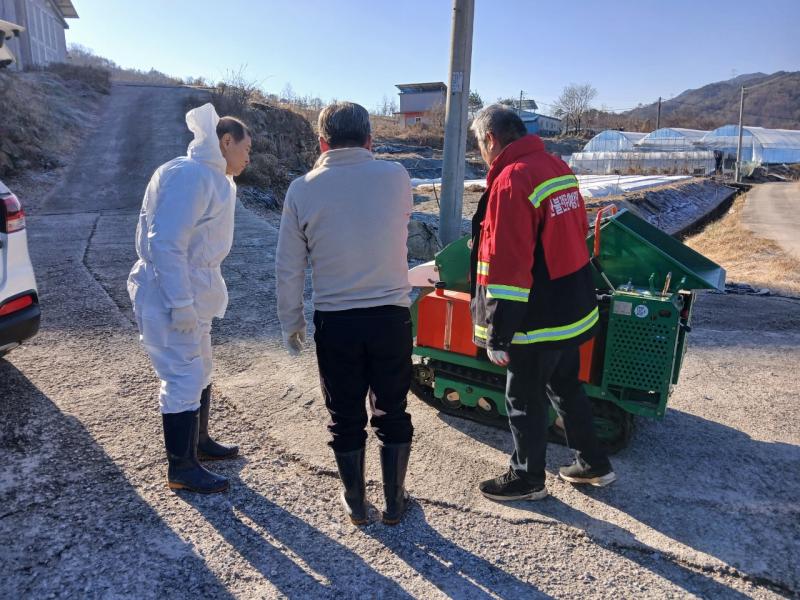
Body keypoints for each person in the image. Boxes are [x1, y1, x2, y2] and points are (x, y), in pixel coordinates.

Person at [276, 102, 414, 525]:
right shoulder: (398, 177)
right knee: (392, 408)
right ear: (370, 139)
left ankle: (356, 502)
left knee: (345, 413)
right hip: (391, 314)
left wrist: (292, 321)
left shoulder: (302, 189)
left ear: (322, 142)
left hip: (336, 319)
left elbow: (288, 265)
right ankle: (394, 501)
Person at [469, 105, 616, 502]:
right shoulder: (555, 167)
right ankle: (592, 464)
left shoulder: (512, 180)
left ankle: (527, 478)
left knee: (523, 397)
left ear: (491, 140)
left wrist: (498, 334)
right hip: (572, 307)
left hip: (538, 317)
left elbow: (509, 266)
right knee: (566, 386)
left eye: (479, 145)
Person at [128, 103, 251, 494]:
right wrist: (180, 301)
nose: (249, 157)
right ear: (225, 141)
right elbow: (166, 242)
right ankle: (181, 467)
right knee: (182, 374)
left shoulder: (210, 176)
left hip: (191, 287)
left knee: (201, 366)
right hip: (170, 290)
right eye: (246, 148)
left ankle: (199, 444)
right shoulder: (191, 175)